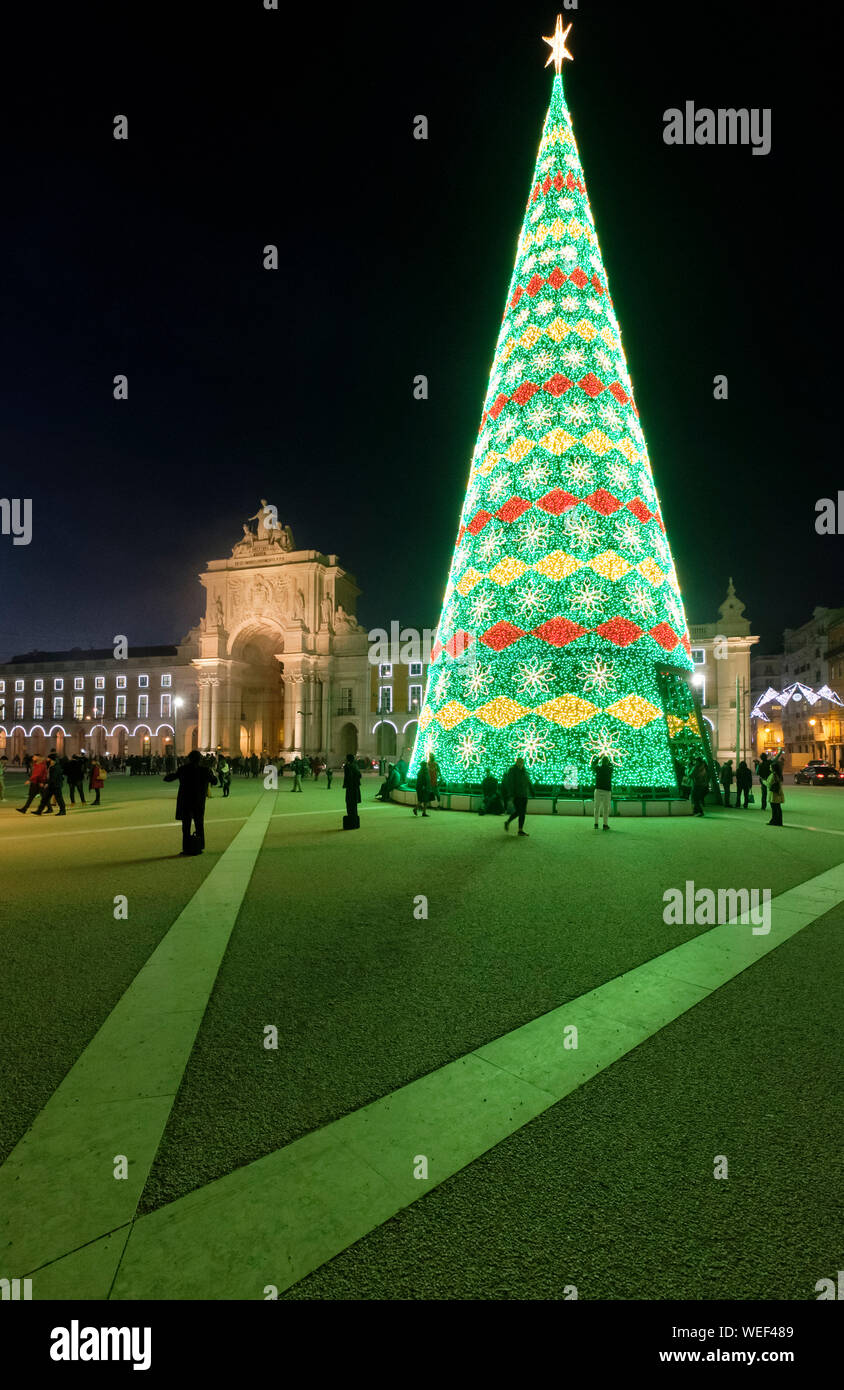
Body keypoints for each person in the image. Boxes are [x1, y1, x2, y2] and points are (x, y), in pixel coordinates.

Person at [163, 749, 217, 854]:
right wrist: (211, 773)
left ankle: (186, 848)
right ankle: (200, 846)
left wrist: (171, 774)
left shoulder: (183, 769)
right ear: (200, 759)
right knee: (199, 825)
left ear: (189, 759)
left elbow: (168, 779)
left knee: (186, 827)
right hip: (199, 801)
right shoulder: (205, 770)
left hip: (185, 801)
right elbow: (215, 782)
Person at [502, 756, 533, 835]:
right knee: (520, 811)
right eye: (519, 762)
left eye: (521, 762)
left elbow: (528, 781)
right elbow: (510, 783)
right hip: (517, 795)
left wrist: (532, 791)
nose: (520, 764)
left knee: (522, 812)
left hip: (524, 794)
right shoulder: (512, 770)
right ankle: (510, 823)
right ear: (516, 763)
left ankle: (520, 830)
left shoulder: (525, 771)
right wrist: (511, 794)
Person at [592, 754, 613, 830]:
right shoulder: (610, 769)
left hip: (598, 789)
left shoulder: (598, 769)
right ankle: (605, 824)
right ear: (607, 762)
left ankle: (596, 824)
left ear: (601, 762)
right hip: (607, 791)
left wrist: (599, 758)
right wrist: (609, 760)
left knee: (596, 807)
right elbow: (611, 765)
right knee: (606, 808)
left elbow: (593, 764)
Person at [342, 752, 361, 828]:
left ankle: (351, 820)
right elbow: (359, 775)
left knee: (349, 803)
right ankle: (354, 820)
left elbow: (348, 777)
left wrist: (346, 784)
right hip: (356, 787)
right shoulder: (355, 766)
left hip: (350, 788)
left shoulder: (348, 766)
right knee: (354, 805)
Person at [766, 763, 785, 827]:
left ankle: (774, 821)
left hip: (773, 793)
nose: (769, 768)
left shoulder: (773, 775)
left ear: (773, 768)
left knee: (774, 808)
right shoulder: (779, 774)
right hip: (778, 792)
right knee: (778, 807)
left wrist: (763, 781)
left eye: (770, 767)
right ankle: (779, 821)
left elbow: (769, 784)